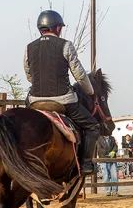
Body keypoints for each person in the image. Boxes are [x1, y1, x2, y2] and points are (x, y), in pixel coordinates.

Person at [23, 9, 99, 175]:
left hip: (35, 100)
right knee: (92, 126)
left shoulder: (29, 48)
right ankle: (86, 163)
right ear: (57, 28)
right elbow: (79, 74)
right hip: (63, 101)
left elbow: (29, 74)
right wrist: (90, 91)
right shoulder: (65, 45)